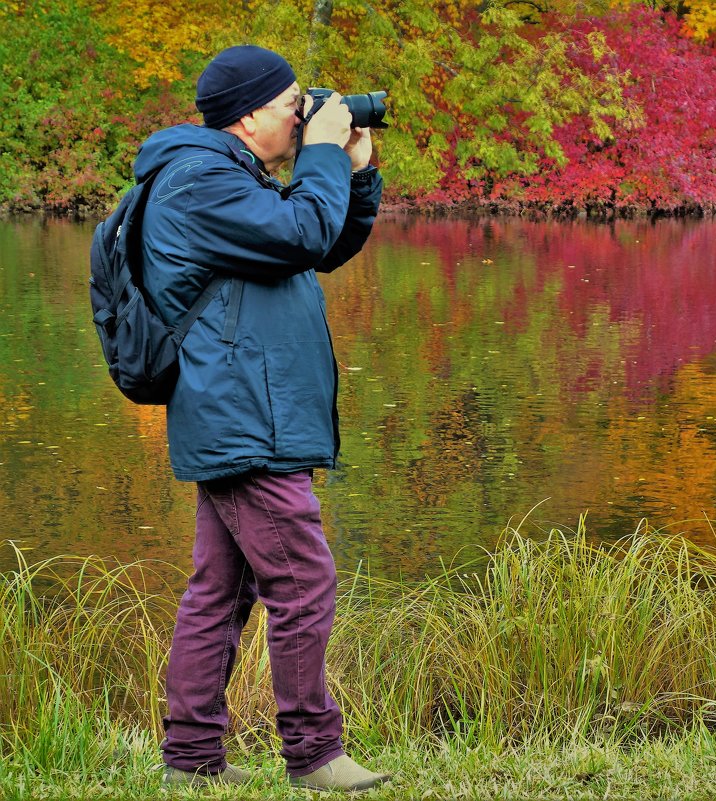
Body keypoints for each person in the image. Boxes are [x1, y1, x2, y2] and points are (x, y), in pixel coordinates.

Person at [134, 45, 388, 793]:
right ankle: (313, 751)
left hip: (248, 409)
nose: (301, 115)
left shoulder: (227, 176)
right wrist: (320, 157)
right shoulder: (199, 179)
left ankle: (190, 758)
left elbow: (317, 244)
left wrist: (354, 170)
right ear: (247, 117)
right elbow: (301, 233)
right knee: (303, 581)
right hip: (246, 414)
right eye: (290, 106)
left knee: (220, 590)